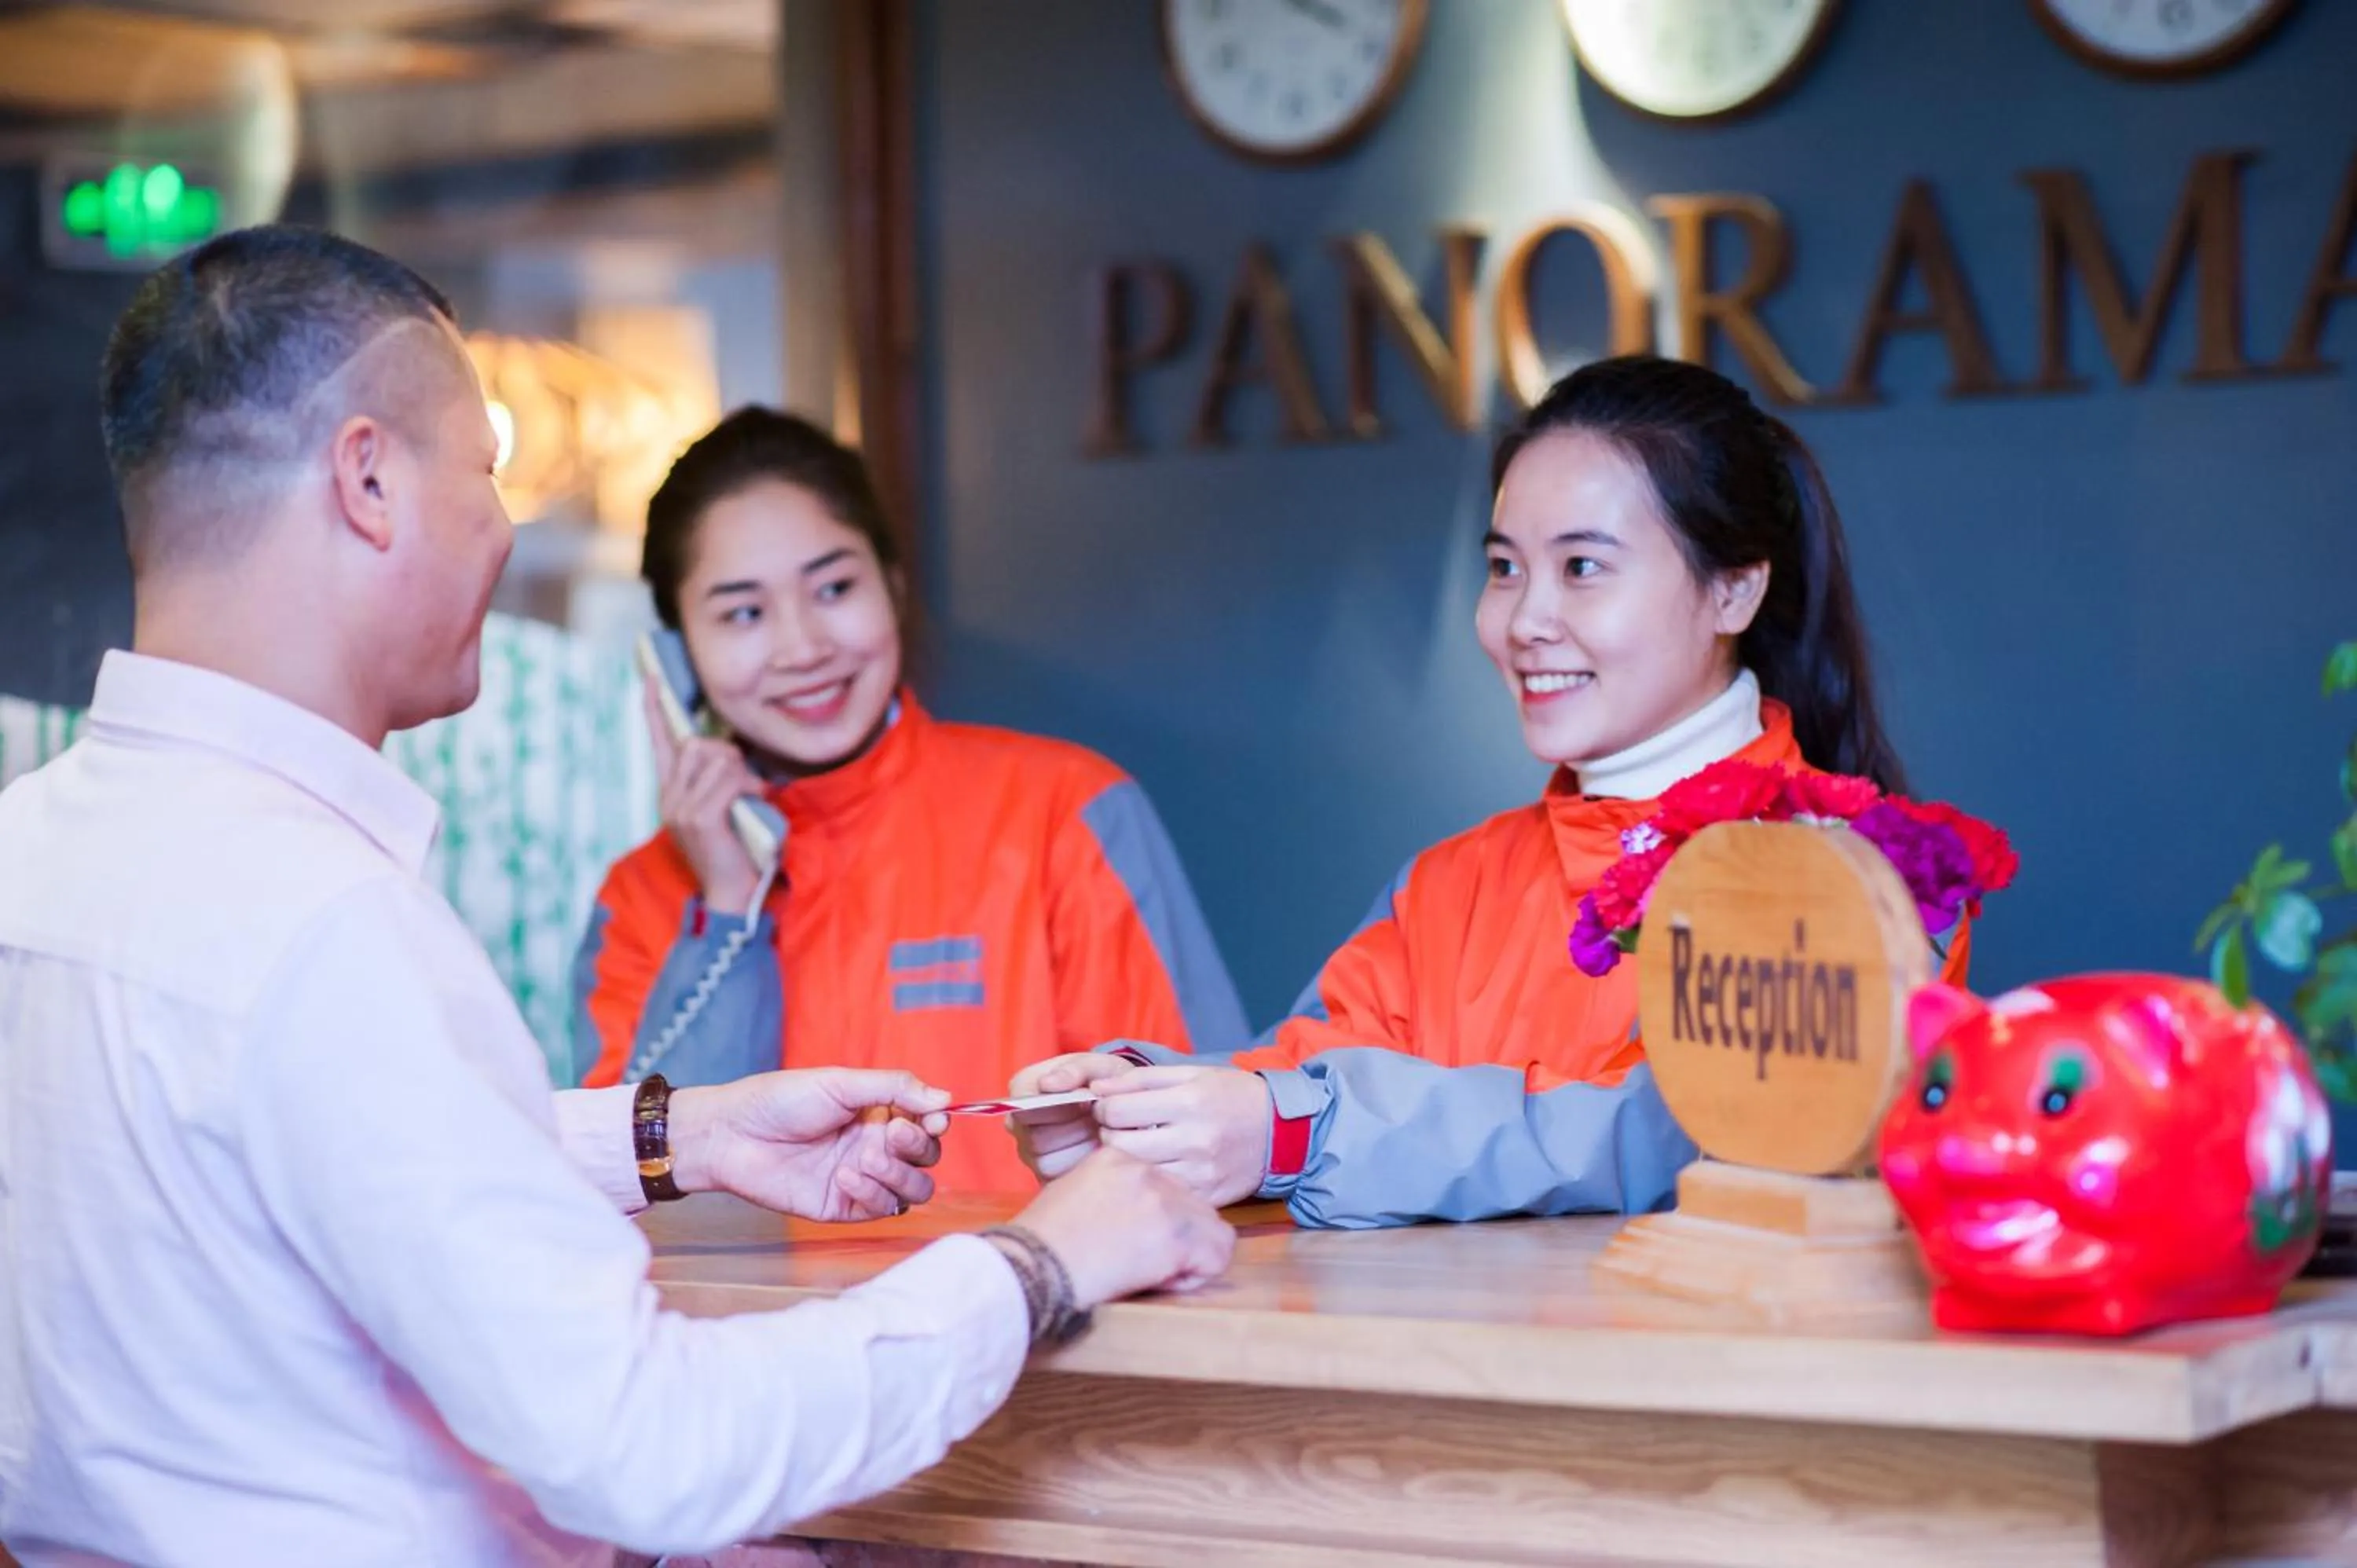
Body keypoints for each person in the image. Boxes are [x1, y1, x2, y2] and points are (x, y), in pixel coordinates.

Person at [0, 225, 1233, 1567]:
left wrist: (672, 1137)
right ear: (368, 479)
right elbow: (646, 1454)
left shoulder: (33, 858)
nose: (504, 522)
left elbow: (286, 1148)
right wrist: (1035, 1267)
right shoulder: (325, 925)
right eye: (489, 468)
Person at [1007, 355, 1974, 1228]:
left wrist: (1291, 1133)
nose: (1526, 619)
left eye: (1582, 567)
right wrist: (1140, 1107)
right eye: (1506, 567)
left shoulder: (1858, 868)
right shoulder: (1453, 881)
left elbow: (1675, 1133)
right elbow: (1312, 1064)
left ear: (1735, 592)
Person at [570, 407, 1248, 1194]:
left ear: (892, 585)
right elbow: (637, 1198)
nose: (803, 648)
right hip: (748, 1321)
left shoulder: (1068, 811)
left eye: (833, 587)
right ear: (678, 656)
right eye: (744, 613)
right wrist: (726, 908)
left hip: (1044, 1308)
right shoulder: (642, 902)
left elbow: (1200, 1142)